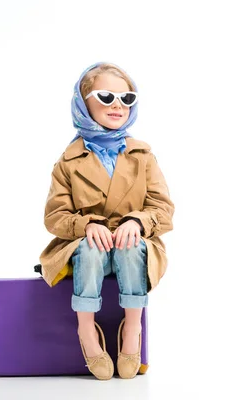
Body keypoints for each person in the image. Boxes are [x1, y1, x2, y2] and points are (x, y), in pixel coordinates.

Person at [38, 62, 175, 380]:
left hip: (132, 247)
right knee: (89, 248)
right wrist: (86, 225)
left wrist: (137, 222)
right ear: (83, 102)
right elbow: (54, 216)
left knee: (131, 245)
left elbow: (163, 209)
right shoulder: (68, 162)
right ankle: (86, 330)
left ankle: (132, 328)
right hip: (88, 252)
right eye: (106, 96)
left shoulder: (143, 156)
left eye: (127, 98)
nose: (118, 105)